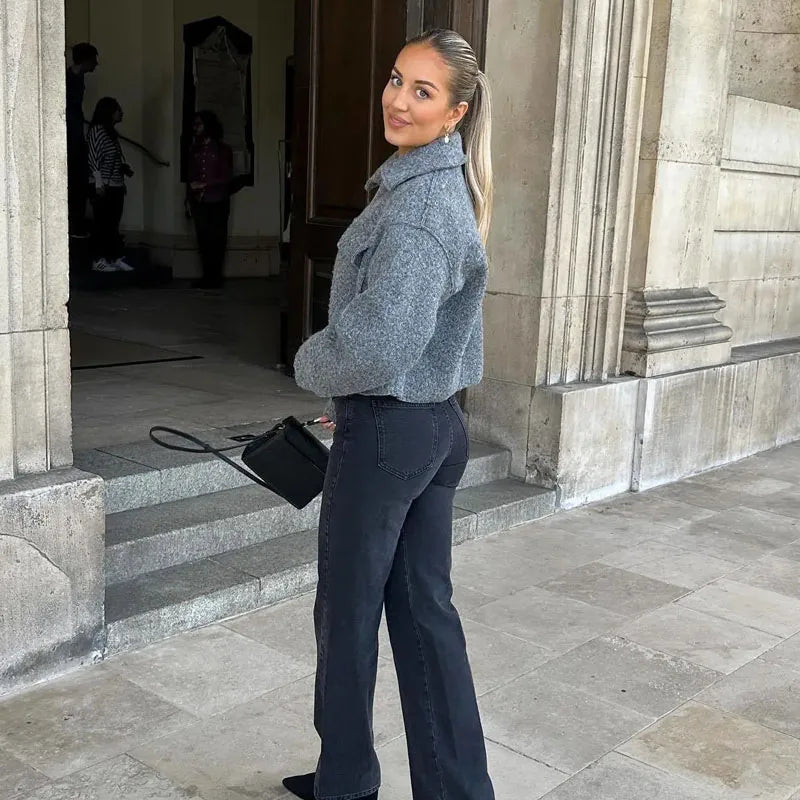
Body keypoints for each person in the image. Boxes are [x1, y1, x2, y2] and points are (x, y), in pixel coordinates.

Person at [288, 28, 495, 800]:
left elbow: (379, 345)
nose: (398, 100)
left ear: (455, 113)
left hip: (389, 431)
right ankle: (456, 791)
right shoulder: (430, 189)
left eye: (423, 91)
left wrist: (309, 363)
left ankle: (345, 784)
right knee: (424, 615)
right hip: (431, 427)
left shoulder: (418, 210)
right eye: (397, 79)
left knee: (348, 617)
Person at [87, 97, 135, 272]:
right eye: (117, 109)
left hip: (116, 185)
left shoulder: (111, 133)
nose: (121, 112)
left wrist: (122, 171)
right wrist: (98, 183)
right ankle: (98, 259)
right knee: (102, 224)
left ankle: (113, 257)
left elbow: (111, 158)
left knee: (113, 224)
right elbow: (93, 157)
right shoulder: (97, 131)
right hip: (103, 186)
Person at [187, 110, 234, 289]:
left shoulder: (223, 150)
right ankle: (207, 276)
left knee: (217, 240)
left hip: (218, 200)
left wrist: (205, 184)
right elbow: (192, 174)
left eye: (199, 124)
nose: (196, 128)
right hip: (200, 201)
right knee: (203, 240)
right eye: (195, 124)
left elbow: (226, 176)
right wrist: (191, 193)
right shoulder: (195, 149)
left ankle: (215, 277)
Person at [66, 42, 98, 236]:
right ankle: (74, 224)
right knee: (77, 180)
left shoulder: (77, 77)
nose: (96, 64)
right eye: (94, 60)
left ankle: (77, 222)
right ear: (86, 60)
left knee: (81, 180)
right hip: (72, 138)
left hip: (76, 135)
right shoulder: (70, 79)